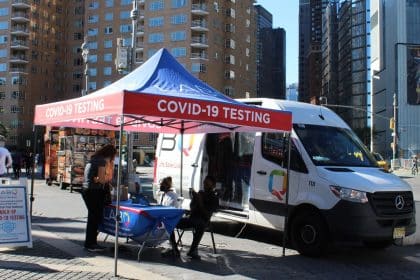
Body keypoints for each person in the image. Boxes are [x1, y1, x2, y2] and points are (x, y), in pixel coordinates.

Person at [168, 175, 219, 260]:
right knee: (169, 223)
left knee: (201, 224)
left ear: (213, 186)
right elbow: (192, 209)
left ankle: (192, 250)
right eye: (204, 183)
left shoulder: (214, 198)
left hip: (202, 220)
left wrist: (200, 202)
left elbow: (206, 214)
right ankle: (174, 249)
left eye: (207, 184)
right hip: (192, 218)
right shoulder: (201, 193)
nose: (205, 186)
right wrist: (194, 199)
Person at [81, 144, 117, 252]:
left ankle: (90, 242)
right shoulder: (102, 161)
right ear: (110, 154)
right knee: (94, 218)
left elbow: (96, 178)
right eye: (114, 156)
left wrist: (99, 178)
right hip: (94, 192)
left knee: (93, 217)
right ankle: (90, 243)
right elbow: (102, 180)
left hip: (87, 190)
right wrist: (107, 174)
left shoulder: (94, 159)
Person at [158, 176, 181, 257]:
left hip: (173, 218)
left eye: (161, 184)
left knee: (167, 225)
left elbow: (171, 210)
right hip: (164, 218)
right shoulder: (162, 195)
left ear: (166, 185)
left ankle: (174, 248)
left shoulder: (172, 195)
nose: (159, 186)